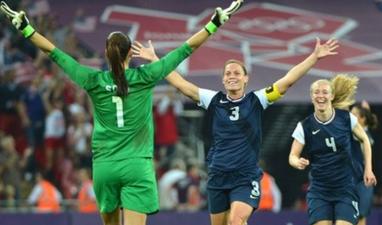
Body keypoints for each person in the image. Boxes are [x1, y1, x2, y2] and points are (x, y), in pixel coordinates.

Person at [0, 0, 244, 224]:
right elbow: (186, 49)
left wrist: (26, 28)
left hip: (104, 167)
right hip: (136, 166)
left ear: (107, 54)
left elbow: (55, 53)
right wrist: (214, 23)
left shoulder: (92, 79)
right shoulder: (146, 76)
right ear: (131, 53)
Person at [133, 35, 339, 225]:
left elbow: (287, 81)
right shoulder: (214, 100)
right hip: (218, 176)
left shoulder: (256, 100)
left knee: (235, 221)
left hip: (245, 177)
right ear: (223, 79)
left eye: (237, 73)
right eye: (228, 73)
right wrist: (154, 59)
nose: (232, 76)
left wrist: (314, 57)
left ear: (246, 78)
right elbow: (181, 84)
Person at [289, 74, 377, 225]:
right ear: (311, 97)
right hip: (319, 191)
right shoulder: (304, 126)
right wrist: (297, 162)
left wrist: (368, 169)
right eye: (316, 92)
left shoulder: (346, 118)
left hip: (345, 189)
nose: (320, 95)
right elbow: (292, 155)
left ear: (332, 96)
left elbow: (365, 140)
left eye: (324, 92)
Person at [350, 101, 378, 225]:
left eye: (354, 114)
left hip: (363, 182)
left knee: (361, 216)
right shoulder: (347, 132)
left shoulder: (366, 137)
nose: (350, 116)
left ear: (362, 119)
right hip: (348, 181)